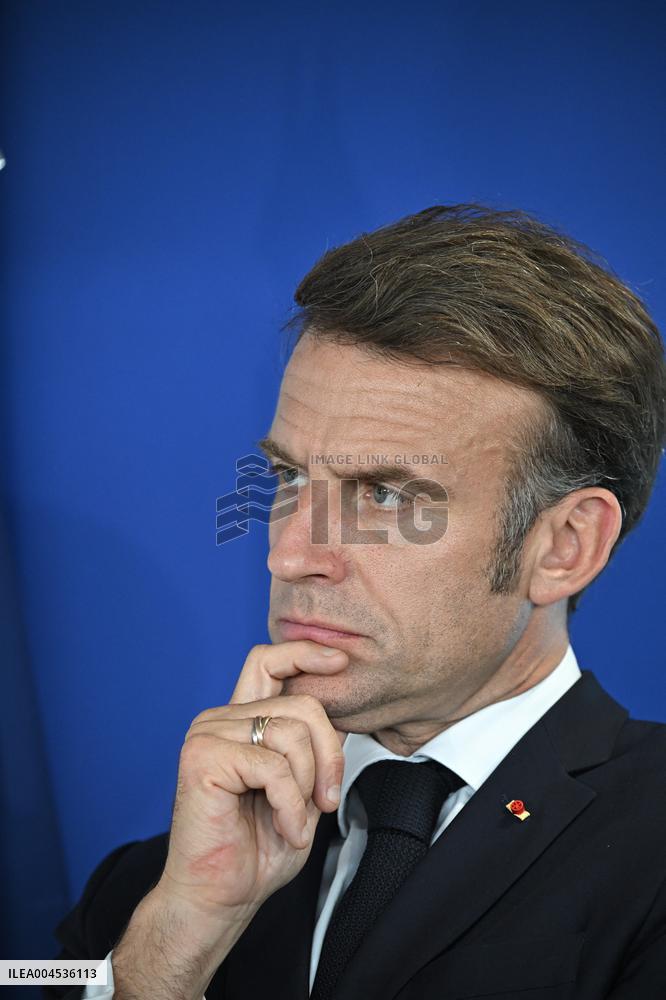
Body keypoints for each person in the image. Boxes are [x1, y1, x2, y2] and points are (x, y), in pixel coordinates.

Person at [48, 204, 666, 1000]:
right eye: (288, 477)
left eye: (384, 494)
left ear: (565, 546)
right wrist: (172, 949)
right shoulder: (150, 892)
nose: (288, 554)